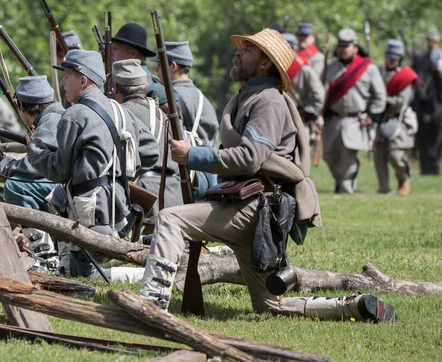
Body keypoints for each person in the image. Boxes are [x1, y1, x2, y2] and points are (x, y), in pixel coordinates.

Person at [139, 28, 394, 323]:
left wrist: (193, 155)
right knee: (270, 305)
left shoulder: (267, 101)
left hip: (253, 208)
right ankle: (352, 305)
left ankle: (150, 306)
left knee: (170, 218)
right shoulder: (251, 96)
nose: (237, 52)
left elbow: (250, 157)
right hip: (252, 208)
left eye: (247, 49)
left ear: (264, 63)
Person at [27, 50, 158, 279]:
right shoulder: (120, 109)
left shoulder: (75, 114)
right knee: (83, 271)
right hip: (120, 202)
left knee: (82, 277)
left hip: (89, 208)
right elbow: (150, 152)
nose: (64, 83)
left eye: (68, 76)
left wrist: (34, 149)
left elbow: (59, 171)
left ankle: (148, 275)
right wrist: (122, 173)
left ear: (83, 80)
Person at [0, 76, 65, 271]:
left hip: (70, 187)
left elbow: (35, 167)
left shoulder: (51, 121)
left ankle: (45, 255)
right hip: (68, 183)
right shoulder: (54, 116)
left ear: (22, 106)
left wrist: (7, 165)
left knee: (15, 186)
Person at [112, 59, 182, 230]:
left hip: (143, 203)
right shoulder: (163, 115)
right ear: (144, 86)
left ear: (115, 87)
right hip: (173, 198)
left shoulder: (120, 115)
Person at [152, 41, 219, 199]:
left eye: (159, 65)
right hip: (210, 179)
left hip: (188, 179)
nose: (155, 70)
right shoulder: (202, 97)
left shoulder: (170, 99)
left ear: (173, 66)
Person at [322, 28, 386, 194]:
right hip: (333, 119)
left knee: (347, 158)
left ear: (355, 47)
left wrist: (373, 115)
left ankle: (346, 187)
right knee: (328, 156)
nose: (343, 49)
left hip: (355, 120)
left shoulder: (368, 68)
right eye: (340, 46)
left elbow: (380, 95)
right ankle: (340, 180)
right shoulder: (330, 67)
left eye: (347, 45)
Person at [375, 40, 418, 195]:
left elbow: (401, 102)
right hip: (380, 119)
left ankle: (404, 178)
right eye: (389, 57)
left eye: (395, 57)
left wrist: (382, 99)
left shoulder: (405, 77)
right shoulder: (378, 72)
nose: (391, 60)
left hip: (399, 120)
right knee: (379, 156)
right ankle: (384, 187)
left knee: (395, 155)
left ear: (400, 59)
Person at [283, 33, 325, 143]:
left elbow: (319, 95)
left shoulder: (303, 69)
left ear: (294, 49)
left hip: (297, 119)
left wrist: (306, 113)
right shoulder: (273, 69)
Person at [112, 23, 166, 102]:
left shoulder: (142, 83)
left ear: (133, 53)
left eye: (116, 49)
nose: (112, 53)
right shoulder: (151, 79)